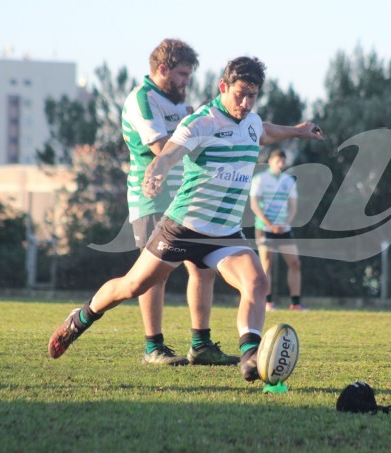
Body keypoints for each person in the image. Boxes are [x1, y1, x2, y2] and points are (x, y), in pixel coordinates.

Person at [48, 56, 324, 382]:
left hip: (224, 232)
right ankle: (81, 316)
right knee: (133, 285)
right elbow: (170, 152)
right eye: (240, 94)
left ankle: (251, 356)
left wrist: (297, 131)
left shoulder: (251, 120)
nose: (247, 103)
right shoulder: (201, 122)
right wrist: (157, 172)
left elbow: (263, 132)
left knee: (257, 282)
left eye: (253, 95)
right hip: (184, 227)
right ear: (223, 87)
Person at [122, 38, 236, 366]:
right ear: (163, 70)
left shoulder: (179, 104)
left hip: (188, 198)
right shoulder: (142, 99)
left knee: (202, 268)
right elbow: (163, 150)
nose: (187, 82)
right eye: (183, 75)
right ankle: (152, 347)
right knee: (153, 275)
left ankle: (201, 345)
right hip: (152, 200)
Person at [250, 149, 306, 311]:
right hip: (264, 228)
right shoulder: (260, 179)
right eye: (277, 161)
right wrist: (269, 224)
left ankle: (295, 303)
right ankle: (267, 302)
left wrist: (285, 224)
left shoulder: (288, 180)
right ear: (271, 162)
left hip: (284, 229)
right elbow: (254, 204)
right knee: (266, 264)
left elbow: (293, 206)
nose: (280, 164)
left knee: (295, 262)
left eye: (282, 162)